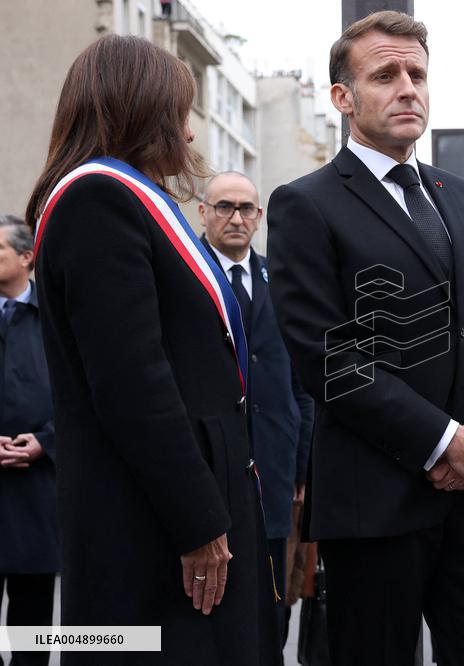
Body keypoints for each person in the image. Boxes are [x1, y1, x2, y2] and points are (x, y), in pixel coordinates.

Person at [266, 11, 464, 665]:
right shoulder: (306, 204)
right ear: (343, 99)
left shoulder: (463, 196)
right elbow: (325, 355)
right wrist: (442, 442)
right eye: (386, 74)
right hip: (376, 507)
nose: (409, 87)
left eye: (417, 73)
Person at [26, 34, 277, 665]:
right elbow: (132, 382)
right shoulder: (97, 199)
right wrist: (197, 520)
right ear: (142, 109)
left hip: (179, 502)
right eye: (181, 114)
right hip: (154, 523)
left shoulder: (126, 198)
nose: (189, 135)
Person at [198, 171, 314, 646]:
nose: (236, 217)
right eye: (224, 206)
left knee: (274, 601)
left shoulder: (280, 281)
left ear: (260, 217)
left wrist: (303, 466)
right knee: (215, 601)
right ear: (203, 213)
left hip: (275, 468)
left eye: (246, 208)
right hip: (211, 467)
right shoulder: (188, 275)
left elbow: (302, 384)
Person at [0, 215, 58, 666]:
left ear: (26, 257)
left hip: (39, 496)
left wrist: (45, 442)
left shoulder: (55, 322)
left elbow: (82, 401)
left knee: (32, 631)